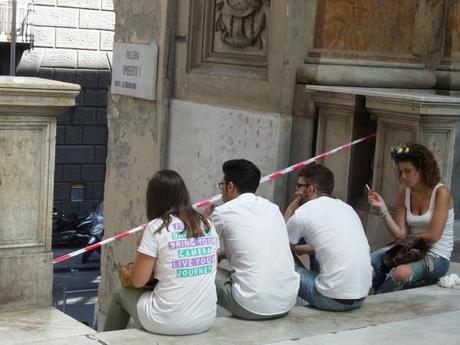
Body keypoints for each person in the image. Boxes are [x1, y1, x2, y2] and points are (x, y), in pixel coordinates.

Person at [104, 170, 219, 335]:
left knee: (120, 293)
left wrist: (141, 246)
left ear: (153, 199)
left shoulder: (156, 227)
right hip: (205, 319)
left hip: (167, 321)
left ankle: (107, 340)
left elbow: (137, 281)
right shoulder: (207, 223)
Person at [205, 159, 300, 320]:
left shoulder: (222, 212)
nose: (221, 193)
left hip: (252, 306)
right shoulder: (273, 208)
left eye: (222, 186)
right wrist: (223, 254)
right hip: (287, 301)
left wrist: (204, 220)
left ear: (230, 186)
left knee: (194, 268)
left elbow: (199, 255)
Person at [368, 143, 454, 293]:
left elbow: (434, 236)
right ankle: (377, 292)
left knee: (400, 273)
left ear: (422, 170)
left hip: (437, 255)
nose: (403, 176)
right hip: (410, 250)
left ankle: (376, 297)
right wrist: (383, 209)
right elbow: (400, 235)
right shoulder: (404, 194)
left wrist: (407, 239)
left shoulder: (441, 193)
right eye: (401, 171)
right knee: (372, 260)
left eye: (408, 171)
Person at [286, 163, 373, 311]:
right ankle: (315, 279)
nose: (296, 191)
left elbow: (279, 239)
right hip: (360, 296)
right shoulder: (347, 208)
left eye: (299, 186)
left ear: (311, 189)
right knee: (311, 243)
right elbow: (326, 245)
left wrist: (292, 205)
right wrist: (297, 248)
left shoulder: (304, 212)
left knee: (278, 256)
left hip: (331, 299)